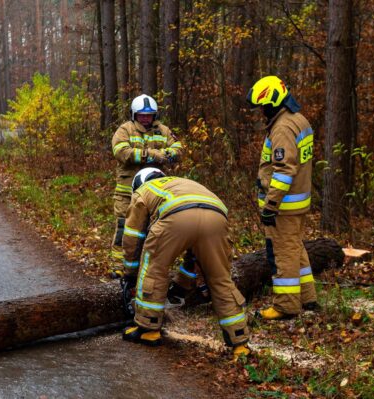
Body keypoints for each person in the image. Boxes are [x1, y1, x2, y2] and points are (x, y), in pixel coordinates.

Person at [121, 167, 250, 360]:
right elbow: (194, 257)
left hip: (176, 217)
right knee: (220, 277)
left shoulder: (144, 190)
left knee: (155, 268)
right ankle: (239, 340)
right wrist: (181, 285)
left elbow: (133, 236)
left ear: (139, 182)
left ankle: (148, 327)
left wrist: (130, 274)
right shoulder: (182, 184)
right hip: (216, 217)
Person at [246, 75, 317, 320]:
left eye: (263, 106)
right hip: (298, 201)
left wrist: (271, 205)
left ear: (273, 102)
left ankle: (286, 305)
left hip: (284, 207)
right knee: (296, 250)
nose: (261, 112)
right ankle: (307, 296)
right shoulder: (299, 120)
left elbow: (285, 170)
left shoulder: (283, 128)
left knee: (282, 254)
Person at [110, 94, 183, 277]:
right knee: (124, 229)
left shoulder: (163, 131)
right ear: (134, 115)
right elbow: (121, 152)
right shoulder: (125, 130)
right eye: (141, 115)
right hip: (127, 193)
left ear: (155, 115)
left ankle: (147, 266)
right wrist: (151, 155)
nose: (145, 118)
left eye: (149, 115)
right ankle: (119, 267)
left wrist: (167, 154)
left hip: (155, 194)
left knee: (153, 231)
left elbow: (178, 149)